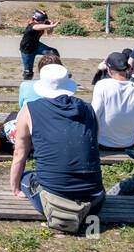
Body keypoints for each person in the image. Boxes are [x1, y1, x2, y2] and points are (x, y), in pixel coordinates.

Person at [9, 64, 105, 224]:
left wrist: (15, 187)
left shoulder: (30, 110)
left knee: (26, 177)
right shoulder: (89, 110)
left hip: (55, 202)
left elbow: (20, 153)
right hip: (94, 200)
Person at [19, 8, 60, 79]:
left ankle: (59, 71)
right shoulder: (32, 25)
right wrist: (52, 26)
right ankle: (26, 83)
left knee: (53, 52)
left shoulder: (42, 23)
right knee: (28, 73)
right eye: (43, 21)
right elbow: (37, 27)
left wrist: (51, 26)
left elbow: (49, 33)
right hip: (27, 50)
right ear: (38, 19)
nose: (44, 22)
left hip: (37, 45)